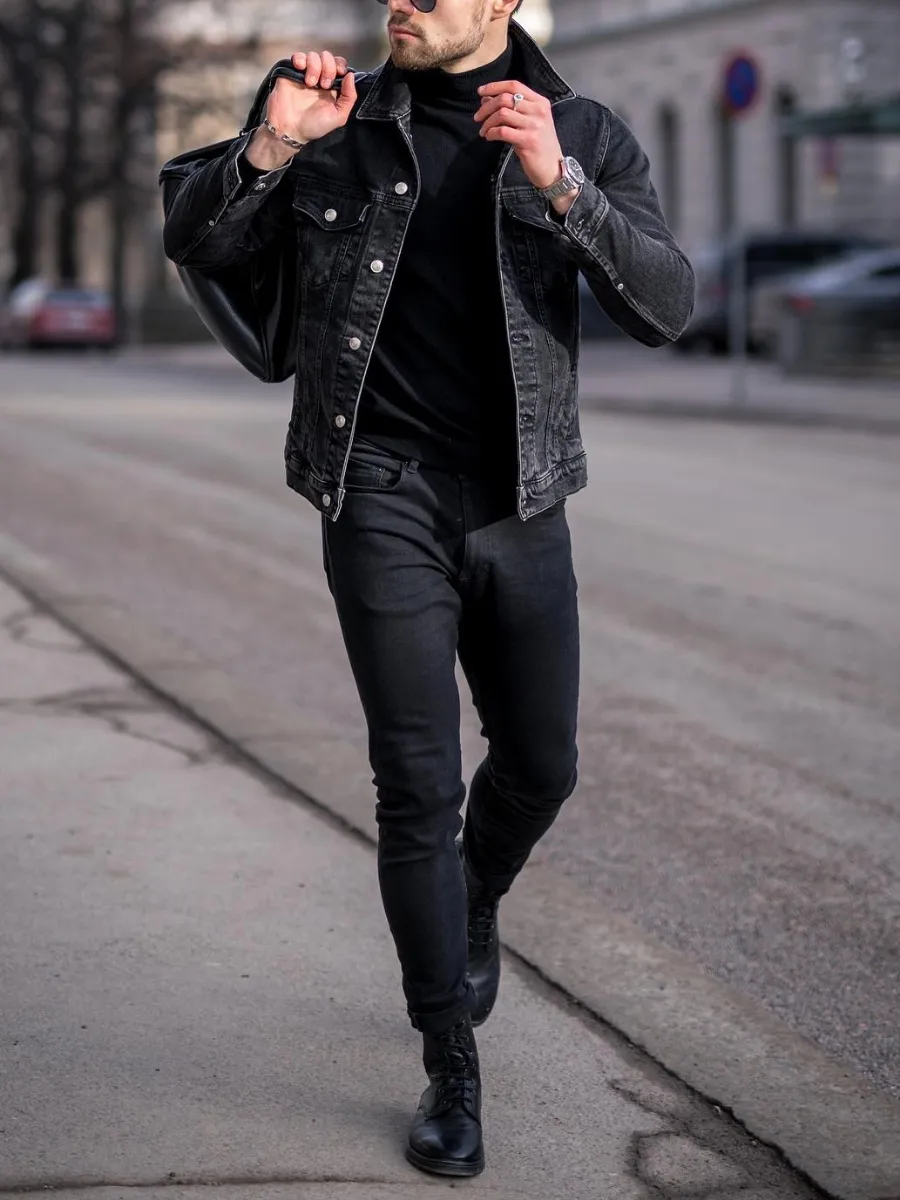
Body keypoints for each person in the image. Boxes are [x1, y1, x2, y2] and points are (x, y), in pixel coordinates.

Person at [161, 0, 694, 1179]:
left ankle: (476, 901)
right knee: (416, 788)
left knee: (542, 765)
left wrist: (562, 185)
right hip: (380, 492)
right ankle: (452, 1063)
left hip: (521, 499)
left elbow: (666, 305)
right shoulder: (333, 118)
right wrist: (270, 146)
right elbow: (200, 248)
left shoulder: (584, 131)